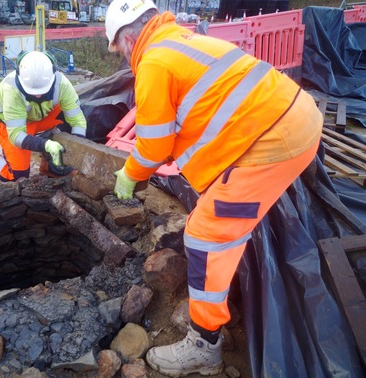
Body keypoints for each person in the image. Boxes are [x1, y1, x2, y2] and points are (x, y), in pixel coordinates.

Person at [105, 0, 322, 376]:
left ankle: (205, 344)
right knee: (215, 212)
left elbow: (154, 144)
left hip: (274, 142)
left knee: (204, 235)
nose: (124, 57)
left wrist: (130, 173)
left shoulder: (155, 62)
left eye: (120, 48)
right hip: (293, 119)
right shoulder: (184, 41)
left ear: (127, 38)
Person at [0, 50, 87, 181]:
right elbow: (16, 136)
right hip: (12, 125)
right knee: (16, 177)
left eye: (42, 91)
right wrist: (46, 145)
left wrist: (76, 147)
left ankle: (51, 168)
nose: (38, 95)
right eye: (33, 92)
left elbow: (77, 120)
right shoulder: (11, 90)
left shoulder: (62, 83)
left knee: (76, 119)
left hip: (42, 117)